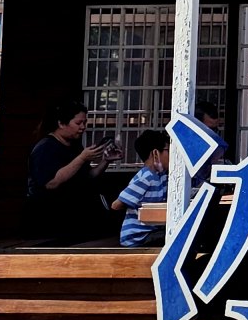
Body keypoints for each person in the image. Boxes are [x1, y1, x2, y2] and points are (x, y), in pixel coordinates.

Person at [26, 100, 114, 244]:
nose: (83, 127)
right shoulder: (45, 147)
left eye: (85, 123)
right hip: (51, 220)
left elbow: (88, 176)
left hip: (77, 218)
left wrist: (106, 161)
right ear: (61, 123)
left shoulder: (75, 146)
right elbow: (51, 183)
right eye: (78, 123)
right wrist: (81, 158)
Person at [111, 129, 170, 247]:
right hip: (138, 236)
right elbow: (116, 205)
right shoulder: (145, 178)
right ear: (155, 154)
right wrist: (138, 207)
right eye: (168, 150)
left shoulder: (161, 176)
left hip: (152, 232)